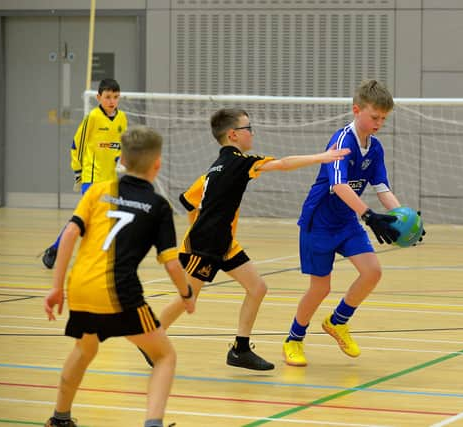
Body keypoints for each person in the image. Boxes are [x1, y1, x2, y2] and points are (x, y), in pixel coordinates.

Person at [150, 108, 350, 371]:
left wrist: (201, 224)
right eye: (248, 128)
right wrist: (321, 157)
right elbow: (282, 164)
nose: (252, 132)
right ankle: (150, 343)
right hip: (206, 244)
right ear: (233, 135)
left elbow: (188, 200)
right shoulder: (237, 161)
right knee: (188, 297)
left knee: (257, 288)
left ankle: (240, 350)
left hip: (224, 243)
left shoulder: (215, 168)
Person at [43, 126, 195, 427]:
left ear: (121, 160)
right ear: (157, 164)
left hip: (81, 287)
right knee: (165, 356)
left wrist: (56, 287)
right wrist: (187, 294)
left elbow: (71, 233)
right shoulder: (158, 206)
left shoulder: (99, 190)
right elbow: (171, 263)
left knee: (85, 348)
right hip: (118, 293)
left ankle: (59, 418)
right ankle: (153, 423)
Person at [282, 79, 408, 366]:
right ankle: (294, 339)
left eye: (383, 119)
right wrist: (369, 216)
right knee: (320, 288)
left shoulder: (374, 148)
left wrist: (404, 218)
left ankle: (338, 321)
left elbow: (383, 189)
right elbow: (339, 186)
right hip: (319, 222)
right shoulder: (341, 142)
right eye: (375, 117)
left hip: (347, 221)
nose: (379, 123)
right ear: (356, 110)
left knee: (372, 271)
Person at [41, 78, 128, 269]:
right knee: (84, 219)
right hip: (91, 177)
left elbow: (120, 145)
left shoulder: (122, 118)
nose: (111, 101)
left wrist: (121, 160)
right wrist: (78, 172)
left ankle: (98, 257)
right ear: (99, 98)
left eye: (115, 97)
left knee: (107, 220)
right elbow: (76, 146)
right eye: (107, 97)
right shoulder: (93, 118)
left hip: (110, 179)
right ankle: (55, 250)